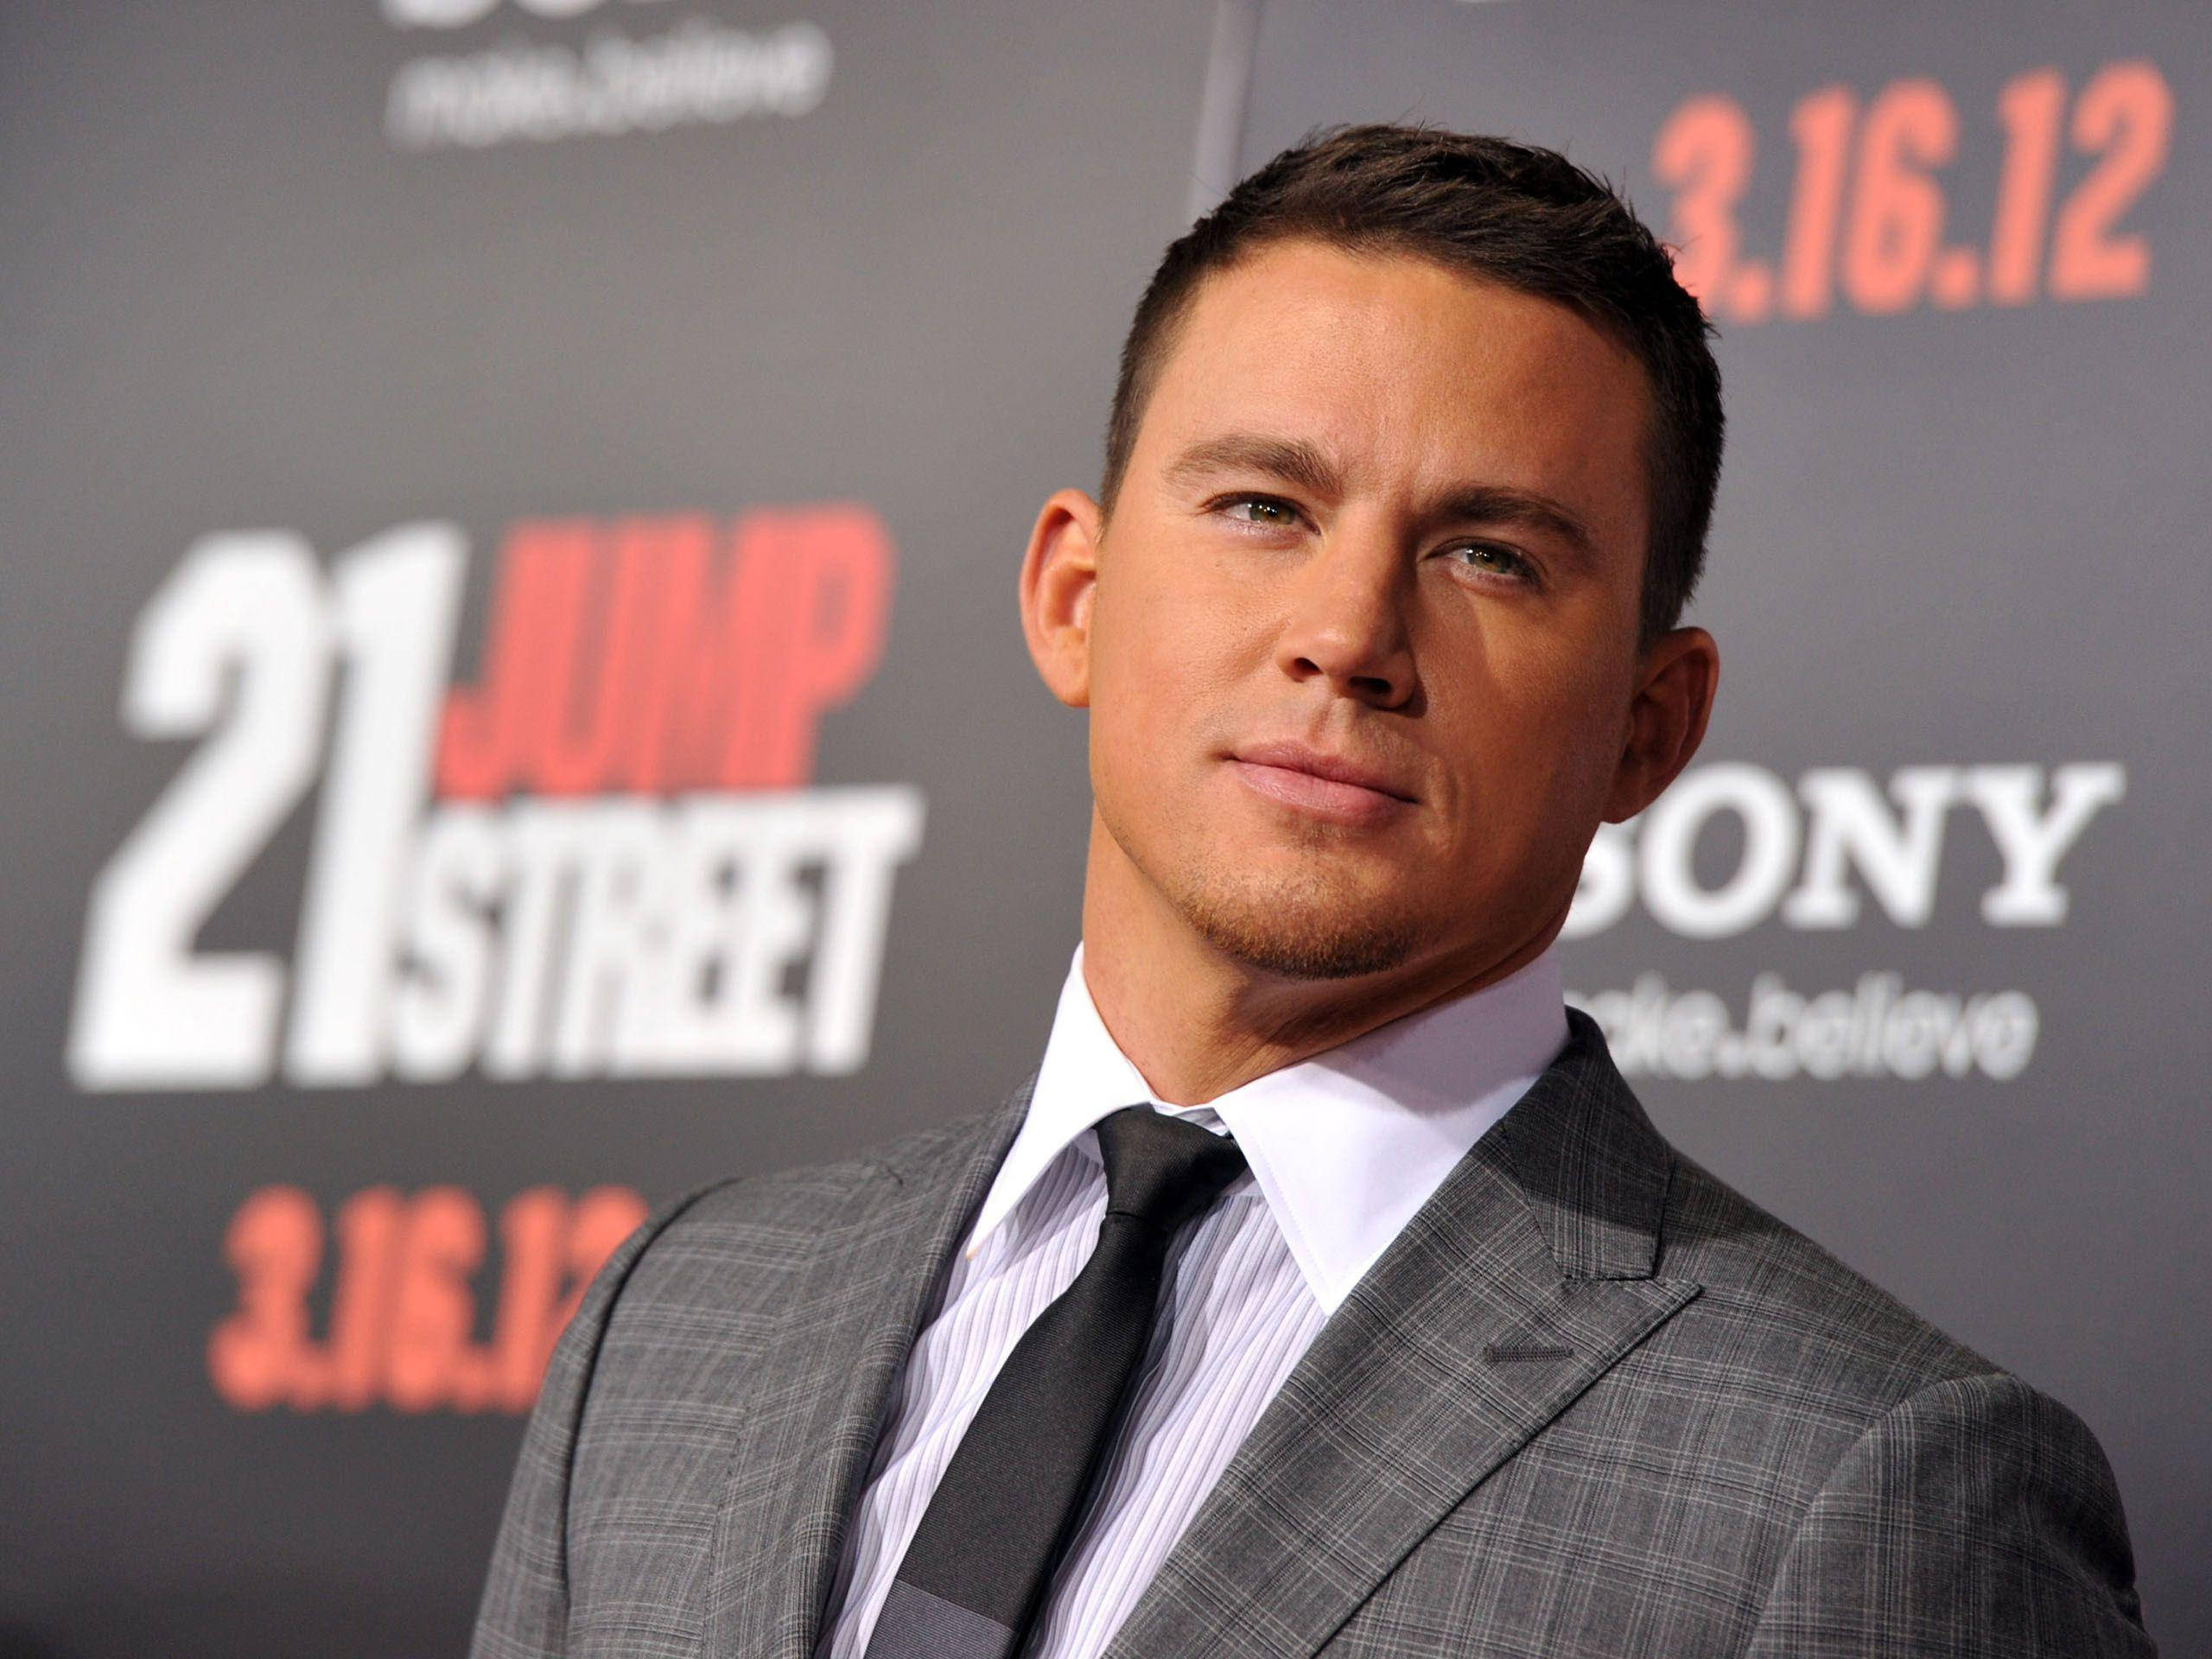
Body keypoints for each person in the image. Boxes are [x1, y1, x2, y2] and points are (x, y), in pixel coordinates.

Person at [471, 126, 2153, 1658]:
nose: (1348, 636)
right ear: (1072, 596)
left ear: (1650, 727)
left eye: (1489, 555)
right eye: (1263, 506)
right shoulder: (677, 1323)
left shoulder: (1870, 1490)